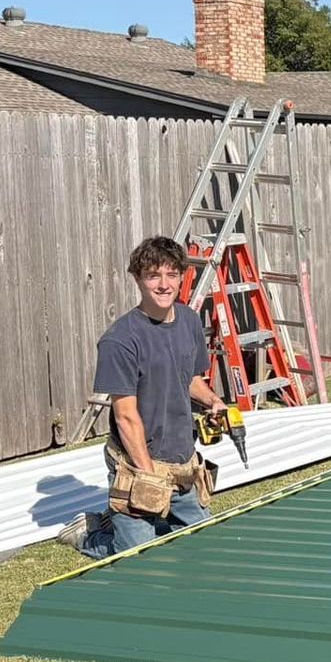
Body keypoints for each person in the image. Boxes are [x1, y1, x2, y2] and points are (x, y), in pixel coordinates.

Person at [68, 235, 231, 559]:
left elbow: (190, 379)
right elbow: (125, 416)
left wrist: (213, 401)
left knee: (202, 544)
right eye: (153, 275)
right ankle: (91, 534)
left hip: (182, 461)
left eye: (171, 274)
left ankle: (135, 516)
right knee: (140, 555)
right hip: (137, 461)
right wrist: (147, 476)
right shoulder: (120, 340)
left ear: (182, 276)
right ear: (138, 279)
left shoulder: (187, 321)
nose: (163, 284)